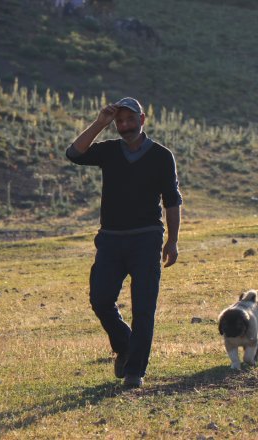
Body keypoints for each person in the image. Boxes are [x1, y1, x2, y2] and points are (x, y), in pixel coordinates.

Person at [66, 97, 182, 388]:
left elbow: (172, 200)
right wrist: (100, 123)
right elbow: (74, 154)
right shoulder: (108, 152)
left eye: (130, 120)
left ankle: (135, 372)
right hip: (111, 240)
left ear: (143, 119)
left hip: (147, 239)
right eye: (120, 121)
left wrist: (173, 240)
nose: (125, 126)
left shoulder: (161, 155)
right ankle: (125, 345)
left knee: (144, 307)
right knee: (100, 299)